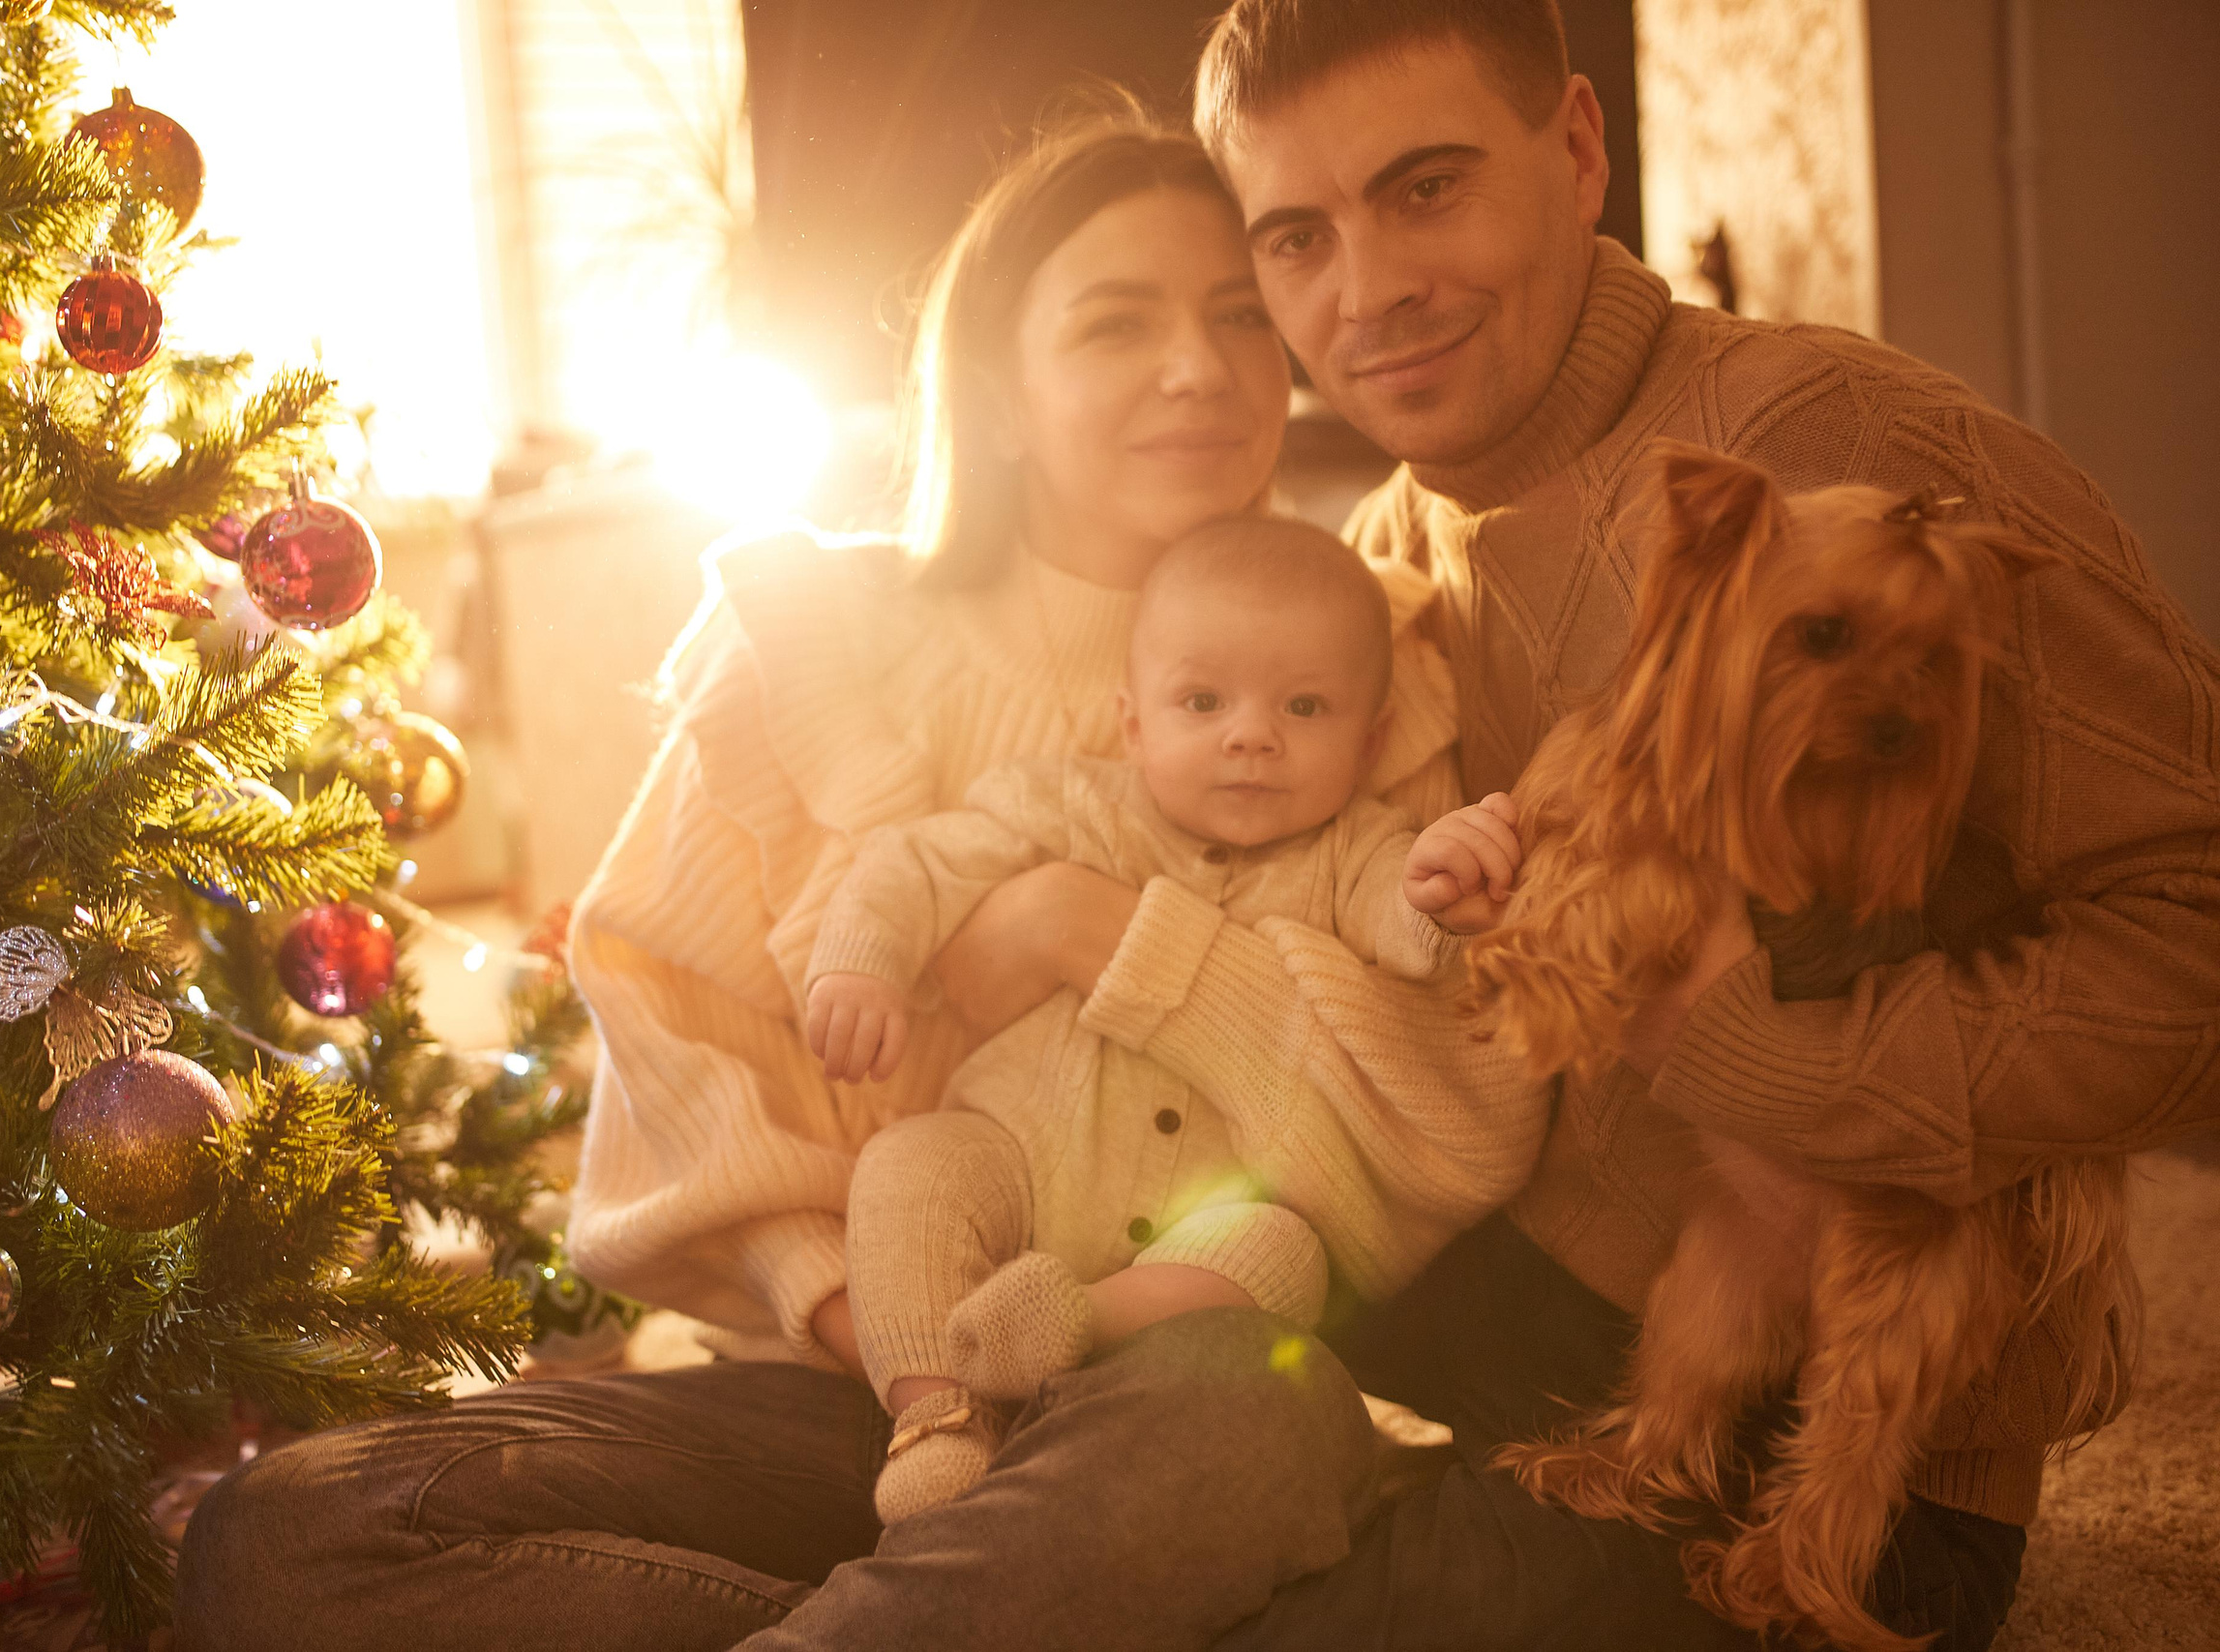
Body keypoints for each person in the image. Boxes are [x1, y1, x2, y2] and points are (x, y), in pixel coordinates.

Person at [175, 112, 1500, 1652]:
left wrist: (1099, 934)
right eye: (1116, 322)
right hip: (870, 1394)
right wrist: (902, 1339)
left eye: (1236, 316)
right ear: (995, 390)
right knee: (291, 1532)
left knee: (1247, 1414)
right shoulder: (804, 646)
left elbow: (1431, 1131)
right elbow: (676, 1043)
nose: (1199, 367)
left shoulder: (1370, 668)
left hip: (1184, 1382)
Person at [1178, 1, 2220, 1648]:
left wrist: (1769, 1057)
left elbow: (2197, 922)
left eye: (1428, 188)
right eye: (1298, 235)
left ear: (1579, 149)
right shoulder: (1381, 544)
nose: (1366, 292)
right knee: (1043, 1433)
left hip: (1839, 1440)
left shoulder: (1871, 455)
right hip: (1496, 1290)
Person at [803, 517, 1542, 1521]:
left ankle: (1072, 1327)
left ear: (1370, 743)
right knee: (908, 1165)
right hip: (1023, 1156)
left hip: (1208, 1219)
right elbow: (918, 863)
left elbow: (1405, 927)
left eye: (1304, 706)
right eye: (1202, 701)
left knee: (1284, 1258)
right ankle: (937, 1415)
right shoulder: (1072, 805)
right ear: (1134, 724)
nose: (1251, 735)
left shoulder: (1357, 849)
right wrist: (861, 962)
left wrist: (1444, 885)